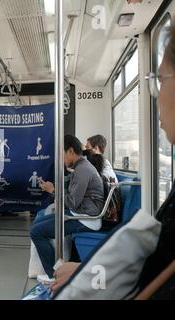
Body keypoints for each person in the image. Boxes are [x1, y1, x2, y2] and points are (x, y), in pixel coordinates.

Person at [52, 27, 175, 299]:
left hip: (90, 219)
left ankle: (50, 271)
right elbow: (151, 269)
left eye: (160, 80)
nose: (156, 96)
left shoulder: (83, 170)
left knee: (41, 227)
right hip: (89, 217)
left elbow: (73, 204)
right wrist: (88, 271)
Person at [30, 135, 105, 282]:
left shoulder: (83, 170)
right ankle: (55, 269)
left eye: (62, 154)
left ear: (71, 151)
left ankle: (53, 274)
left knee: (36, 232)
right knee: (38, 224)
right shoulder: (80, 167)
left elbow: (72, 202)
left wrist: (52, 191)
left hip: (86, 219)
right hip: (80, 213)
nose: (61, 158)